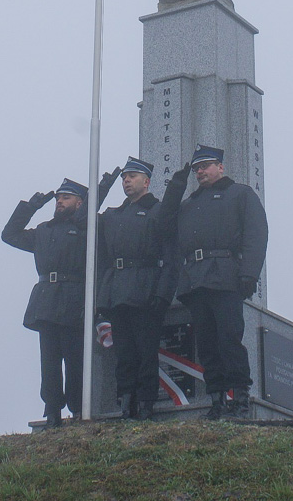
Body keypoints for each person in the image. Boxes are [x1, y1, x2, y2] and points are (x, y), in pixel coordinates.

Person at [2, 170, 120, 429]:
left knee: (74, 359)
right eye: (58, 198)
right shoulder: (43, 230)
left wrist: (101, 188)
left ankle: (78, 408)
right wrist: (31, 207)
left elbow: (90, 221)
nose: (60, 202)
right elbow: (9, 235)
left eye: (66, 197)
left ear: (80, 202)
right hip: (45, 301)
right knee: (50, 361)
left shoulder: (86, 228)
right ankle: (52, 408)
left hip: (74, 300)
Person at [169, 144, 268, 421]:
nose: (201, 171)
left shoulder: (240, 194)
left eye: (206, 166)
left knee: (229, 340)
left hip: (226, 277)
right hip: (196, 281)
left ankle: (241, 400)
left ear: (221, 167)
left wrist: (249, 273)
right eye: (197, 168)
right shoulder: (188, 204)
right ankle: (217, 400)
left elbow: (256, 234)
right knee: (208, 345)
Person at [96, 156, 183, 421]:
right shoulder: (112, 215)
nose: (126, 181)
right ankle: (126, 402)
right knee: (124, 353)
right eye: (124, 177)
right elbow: (83, 221)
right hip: (118, 292)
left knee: (146, 352)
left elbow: (171, 257)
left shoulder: (158, 211)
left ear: (146, 181)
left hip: (146, 290)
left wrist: (163, 293)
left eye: (131, 176)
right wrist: (101, 188)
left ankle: (146, 403)